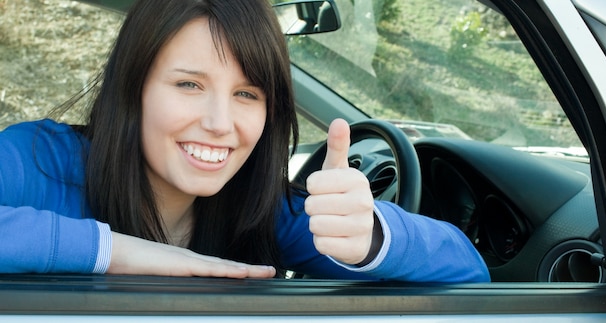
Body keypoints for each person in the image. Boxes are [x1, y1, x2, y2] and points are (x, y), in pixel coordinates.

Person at [0, 0, 489, 282]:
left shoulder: (264, 210)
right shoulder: (35, 161)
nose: (220, 122)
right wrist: (115, 252)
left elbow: (468, 273)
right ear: (134, 88)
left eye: (246, 94)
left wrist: (371, 237)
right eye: (189, 84)